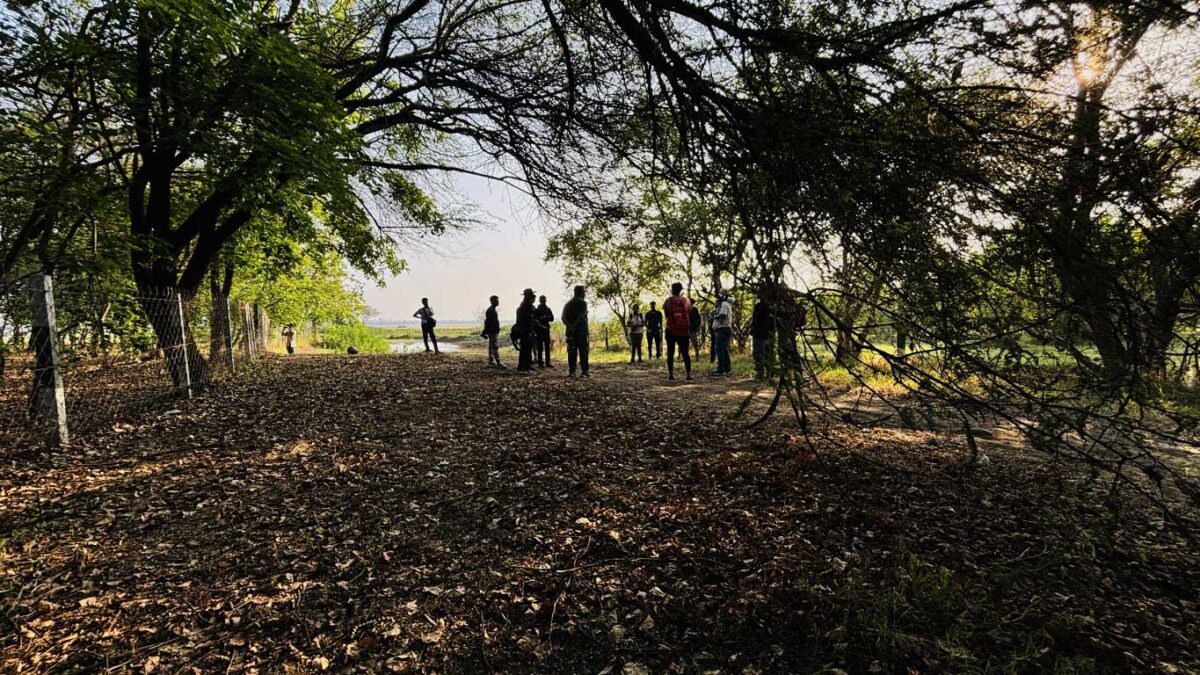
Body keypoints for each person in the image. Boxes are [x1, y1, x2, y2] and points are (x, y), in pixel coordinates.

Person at [662, 282, 694, 381]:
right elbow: (690, 312)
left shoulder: (668, 301)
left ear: (672, 289)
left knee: (670, 353)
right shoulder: (686, 300)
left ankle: (671, 375)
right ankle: (688, 375)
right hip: (684, 330)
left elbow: (666, 314)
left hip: (671, 329)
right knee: (685, 353)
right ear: (681, 290)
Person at [561, 285, 590, 377]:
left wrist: (569, 326)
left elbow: (563, 317)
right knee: (583, 351)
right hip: (581, 332)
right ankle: (584, 372)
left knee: (572, 351)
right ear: (581, 292)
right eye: (584, 292)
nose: (584, 293)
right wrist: (574, 326)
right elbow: (581, 316)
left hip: (570, 333)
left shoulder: (568, 304)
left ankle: (572, 371)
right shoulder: (583, 303)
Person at [750, 297, 774, 380]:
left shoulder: (769, 307)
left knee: (761, 353)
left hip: (763, 333)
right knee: (761, 353)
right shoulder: (759, 306)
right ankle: (763, 374)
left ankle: (764, 374)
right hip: (761, 332)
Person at [712, 292, 734, 375]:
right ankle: (726, 368)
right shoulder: (727, 304)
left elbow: (723, 314)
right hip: (724, 328)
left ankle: (721, 368)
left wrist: (715, 316)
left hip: (722, 328)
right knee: (723, 349)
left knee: (720, 349)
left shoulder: (724, 304)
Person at [515, 289, 536, 373]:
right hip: (525, 330)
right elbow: (528, 319)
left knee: (526, 349)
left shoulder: (523, 305)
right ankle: (523, 368)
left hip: (524, 330)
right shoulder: (526, 306)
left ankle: (525, 367)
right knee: (525, 349)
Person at [482, 295, 506, 368]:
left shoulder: (492, 310)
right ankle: (498, 362)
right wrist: (485, 332)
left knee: (491, 346)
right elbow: (487, 322)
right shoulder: (490, 310)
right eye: (496, 300)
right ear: (492, 301)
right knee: (494, 346)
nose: (498, 302)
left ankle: (491, 361)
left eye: (497, 300)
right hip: (492, 331)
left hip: (493, 331)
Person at [534, 295, 555, 368]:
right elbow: (534, 319)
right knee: (540, 347)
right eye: (542, 299)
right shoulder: (537, 310)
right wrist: (541, 318)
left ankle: (547, 362)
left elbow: (552, 318)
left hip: (546, 330)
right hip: (539, 330)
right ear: (540, 300)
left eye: (544, 299)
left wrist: (546, 318)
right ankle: (540, 363)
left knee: (546, 347)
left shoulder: (548, 309)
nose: (544, 301)